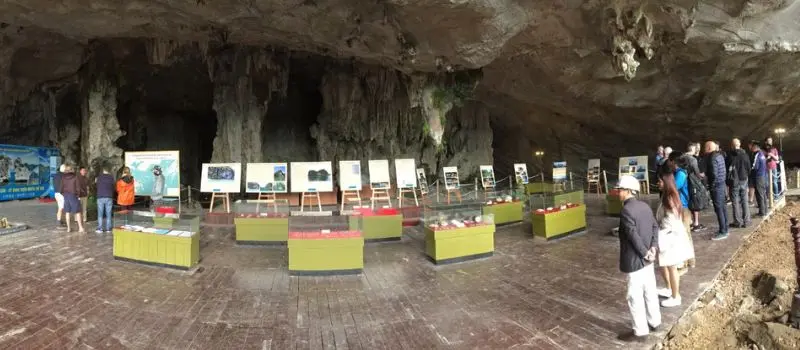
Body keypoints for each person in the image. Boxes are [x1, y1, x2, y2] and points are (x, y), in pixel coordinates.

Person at [615, 175, 661, 342]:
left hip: (636, 261)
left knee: (634, 296)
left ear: (628, 191)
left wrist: (644, 252)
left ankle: (640, 331)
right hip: (648, 259)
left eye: (620, 190)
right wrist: (653, 248)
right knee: (650, 292)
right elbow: (655, 227)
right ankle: (655, 321)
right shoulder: (645, 206)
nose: (618, 192)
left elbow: (632, 235)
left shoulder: (626, 210)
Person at [655, 168, 695, 307]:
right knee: (663, 264)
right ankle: (669, 288)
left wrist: (661, 230)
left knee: (671, 266)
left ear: (666, 182)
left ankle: (675, 296)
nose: (657, 183)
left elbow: (671, 219)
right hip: (667, 233)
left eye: (659, 181)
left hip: (670, 235)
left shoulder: (670, 197)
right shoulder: (667, 195)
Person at [666, 152, 696, 270]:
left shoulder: (681, 174)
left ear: (674, 161)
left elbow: (673, 188)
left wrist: (665, 183)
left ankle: (688, 261)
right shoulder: (678, 173)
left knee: (684, 235)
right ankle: (687, 260)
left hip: (682, 208)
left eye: (669, 160)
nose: (668, 162)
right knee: (682, 235)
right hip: (680, 207)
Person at [705, 141, 728, 240]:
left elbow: (714, 173)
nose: (704, 149)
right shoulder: (720, 155)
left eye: (705, 147)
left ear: (709, 147)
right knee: (723, 207)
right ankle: (725, 228)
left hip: (717, 186)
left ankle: (723, 231)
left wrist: (711, 185)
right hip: (722, 184)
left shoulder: (712, 157)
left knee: (718, 209)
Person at [679, 143, 704, 231]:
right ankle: (696, 223)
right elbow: (697, 173)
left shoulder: (681, 158)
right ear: (692, 149)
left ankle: (688, 221)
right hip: (692, 182)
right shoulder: (692, 159)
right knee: (695, 201)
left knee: (686, 200)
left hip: (684, 182)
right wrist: (702, 175)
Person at [727, 138, 751, 228]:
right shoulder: (745, 155)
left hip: (734, 182)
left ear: (732, 145)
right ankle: (747, 221)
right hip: (744, 180)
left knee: (735, 202)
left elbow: (727, 169)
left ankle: (738, 222)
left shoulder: (729, 156)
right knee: (745, 200)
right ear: (739, 145)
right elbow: (749, 168)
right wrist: (745, 176)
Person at [60, 165, 86, 233]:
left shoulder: (63, 178)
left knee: (67, 212)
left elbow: (61, 189)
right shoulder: (75, 177)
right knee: (78, 212)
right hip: (73, 196)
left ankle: (68, 228)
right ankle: (80, 228)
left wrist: (64, 194)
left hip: (66, 195)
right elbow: (78, 188)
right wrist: (78, 195)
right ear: (72, 170)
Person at [750, 141, 768, 216]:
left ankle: (762, 212)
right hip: (763, 176)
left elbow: (755, 166)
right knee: (763, 194)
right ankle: (765, 210)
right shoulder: (762, 154)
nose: (751, 148)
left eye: (752, 147)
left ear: (755, 147)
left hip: (758, 177)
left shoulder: (757, 155)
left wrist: (750, 170)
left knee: (759, 194)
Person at [95, 168, 115, 233]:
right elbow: (113, 186)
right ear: (109, 171)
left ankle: (100, 228)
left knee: (100, 213)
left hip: (100, 197)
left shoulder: (99, 177)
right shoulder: (111, 178)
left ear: (103, 171)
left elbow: (96, 185)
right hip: (109, 197)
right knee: (108, 213)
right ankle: (108, 228)